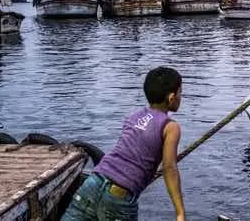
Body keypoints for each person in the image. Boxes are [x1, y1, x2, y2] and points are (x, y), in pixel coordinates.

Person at [62, 66, 186, 221]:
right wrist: (180, 213)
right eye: (180, 92)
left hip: (92, 183)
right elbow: (169, 168)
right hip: (118, 197)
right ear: (171, 97)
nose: (181, 96)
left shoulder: (133, 116)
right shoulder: (171, 127)